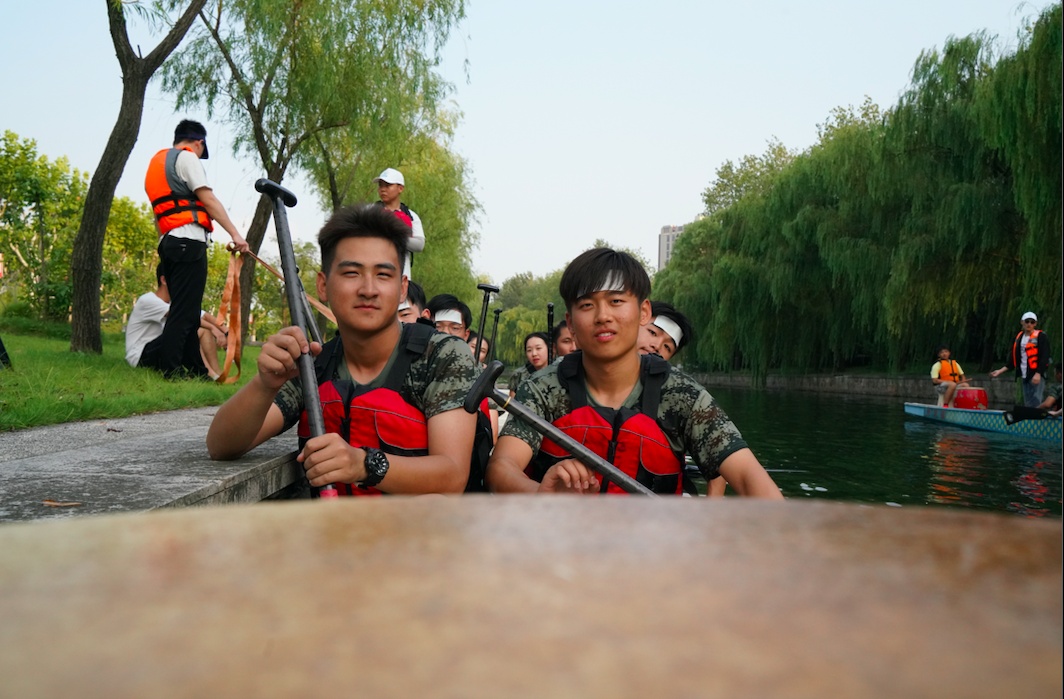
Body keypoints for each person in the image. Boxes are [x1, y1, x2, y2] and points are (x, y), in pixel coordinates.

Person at [206, 205, 478, 496]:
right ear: (323, 286)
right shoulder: (314, 364)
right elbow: (221, 446)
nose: (368, 289)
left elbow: (452, 476)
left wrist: (363, 464)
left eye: (383, 275)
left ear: (402, 289)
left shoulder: (443, 355)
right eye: (351, 273)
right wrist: (265, 384)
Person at [486, 247, 783, 498]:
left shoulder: (682, 395)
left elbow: (747, 476)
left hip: (653, 544)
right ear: (571, 322)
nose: (603, 316)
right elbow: (501, 467)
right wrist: (542, 492)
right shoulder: (543, 387)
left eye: (616, 301)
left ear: (643, 312)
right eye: (587, 305)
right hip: (561, 539)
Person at [143, 119, 249, 378]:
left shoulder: (157, 165)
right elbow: (208, 200)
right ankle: (171, 370)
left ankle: (197, 370)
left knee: (187, 310)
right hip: (188, 242)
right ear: (199, 143)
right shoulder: (187, 158)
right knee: (184, 311)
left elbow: (160, 215)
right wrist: (235, 234)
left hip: (169, 243)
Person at [126, 265, 228, 379]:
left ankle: (218, 374)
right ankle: (207, 374)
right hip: (140, 356)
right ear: (164, 280)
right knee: (194, 329)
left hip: (164, 349)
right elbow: (185, 317)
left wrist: (226, 331)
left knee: (200, 328)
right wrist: (213, 328)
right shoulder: (148, 300)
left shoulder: (174, 303)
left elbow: (204, 315)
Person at [990, 312, 1051, 407]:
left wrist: (1038, 373)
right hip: (1024, 375)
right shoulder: (1019, 337)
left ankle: (1035, 415)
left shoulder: (1041, 336)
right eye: (1027, 321)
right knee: (1028, 402)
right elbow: (1013, 360)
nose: (1029, 324)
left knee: (1035, 401)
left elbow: (1045, 356)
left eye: (1032, 322)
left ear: (1035, 324)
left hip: (1036, 374)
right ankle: (1028, 415)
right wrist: (1000, 371)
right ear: (1022, 322)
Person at [373, 168, 424, 278]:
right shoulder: (369, 212)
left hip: (402, 276)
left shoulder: (411, 216)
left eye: (388, 185)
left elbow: (419, 244)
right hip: (374, 274)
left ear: (400, 188)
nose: (383, 189)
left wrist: (393, 235)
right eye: (380, 185)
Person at [508, 331, 550, 398]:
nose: (534, 354)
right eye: (529, 350)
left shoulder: (559, 371)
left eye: (538, 348)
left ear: (551, 349)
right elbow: (512, 402)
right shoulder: (519, 375)